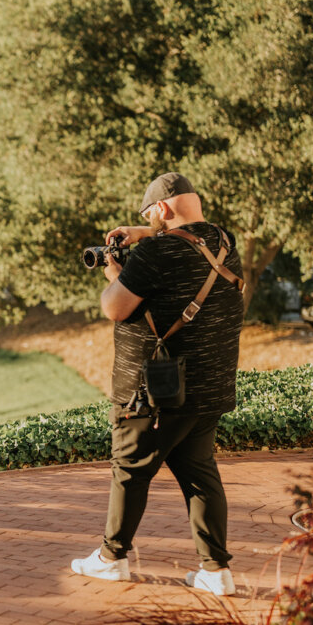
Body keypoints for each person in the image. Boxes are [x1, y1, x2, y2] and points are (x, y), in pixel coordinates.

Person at [70, 172, 244, 595]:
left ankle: (112, 558)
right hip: (208, 387)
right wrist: (146, 230)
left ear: (162, 209)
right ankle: (216, 571)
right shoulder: (224, 242)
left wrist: (115, 271)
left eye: (153, 216)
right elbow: (188, 235)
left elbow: (114, 307)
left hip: (155, 391)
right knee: (200, 474)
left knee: (129, 469)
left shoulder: (155, 252)